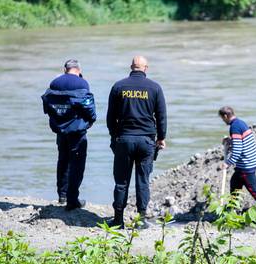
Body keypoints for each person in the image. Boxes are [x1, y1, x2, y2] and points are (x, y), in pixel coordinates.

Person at [107, 56, 167, 229]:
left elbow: (111, 116)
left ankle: (118, 220)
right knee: (143, 181)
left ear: (131, 67)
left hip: (124, 139)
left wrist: (114, 136)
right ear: (145, 68)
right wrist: (161, 138)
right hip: (146, 141)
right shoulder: (155, 88)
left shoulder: (119, 86)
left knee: (121, 181)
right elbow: (161, 116)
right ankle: (141, 220)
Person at [41, 59, 96, 211]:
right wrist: (91, 120)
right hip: (77, 130)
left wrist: (57, 119)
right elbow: (88, 105)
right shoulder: (82, 84)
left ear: (65, 69)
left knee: (63, 160)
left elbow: (47, 105)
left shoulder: (55, 83)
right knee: (77, 164)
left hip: (60, 130)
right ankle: (73, 199)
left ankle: (62, 195)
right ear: (78, 70)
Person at [219, 106, 256, 210]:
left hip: (246, 165)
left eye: (222, 118)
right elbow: (241, 142)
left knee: (254, 190)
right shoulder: (240, 123)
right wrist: (230, 141)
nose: (223, 121)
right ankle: (232, 209)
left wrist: (228, 163)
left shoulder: (234, 127)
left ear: (225, 116)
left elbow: (238, 149)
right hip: (248, 162)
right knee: (235, 183)